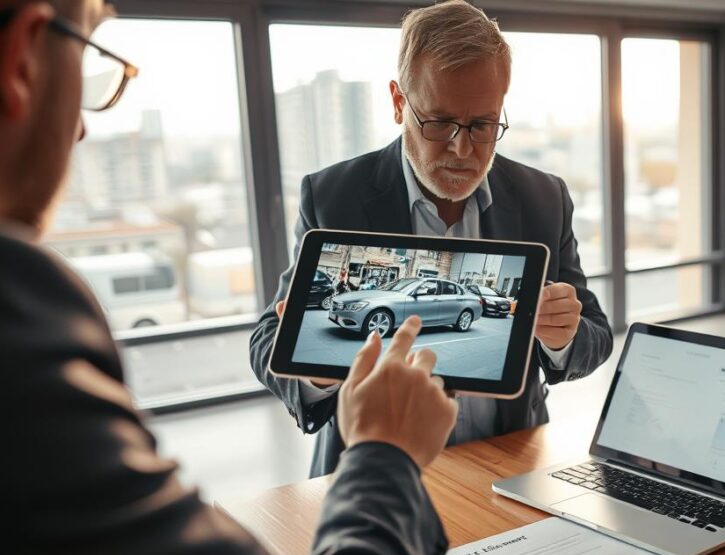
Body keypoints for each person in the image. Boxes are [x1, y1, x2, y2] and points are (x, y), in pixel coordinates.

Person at [1, 1, 458, 555]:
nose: (76, 129)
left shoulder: (542, 195)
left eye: (483, 123)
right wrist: (384, 450)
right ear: (24, 57)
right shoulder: (20, 325)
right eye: (91, 57)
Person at [250, 0, 614, 477]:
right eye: (440, 123)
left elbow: (597, 337)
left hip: (506, 470)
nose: (463, 150)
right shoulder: (334, 194)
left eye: (483, 126)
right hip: (376, 474)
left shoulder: (544, 196)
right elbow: (266, 340)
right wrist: (319, 369)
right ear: (399, 102)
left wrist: (562, 339)